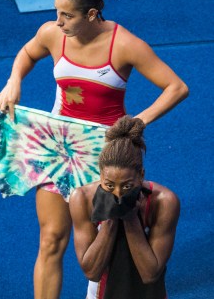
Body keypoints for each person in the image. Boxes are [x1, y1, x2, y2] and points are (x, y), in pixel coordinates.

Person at [0, 0, 188, 299]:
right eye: (57, 12)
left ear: (92, 14)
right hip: (60, 149)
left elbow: (177, 87)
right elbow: (27, 54)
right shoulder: (52, 34)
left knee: (105, 241)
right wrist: (14, 80)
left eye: (67, 16)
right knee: (51, 238)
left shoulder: (124, 44)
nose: (58, 22)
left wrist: (136, 122)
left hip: (105, 155)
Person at [69, 115, 180, 299]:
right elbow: (91, 272)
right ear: (100, 174)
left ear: (141, 175)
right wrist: (111, 218)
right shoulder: (81, 198)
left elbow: (150, 273)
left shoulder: (164, 202)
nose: (118, 194)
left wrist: (130, 218)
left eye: (127, 186)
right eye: (109, 185)